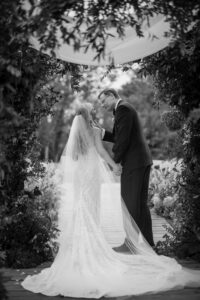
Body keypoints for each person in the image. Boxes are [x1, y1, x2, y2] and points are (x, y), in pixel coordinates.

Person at [21, 103, 200, 298]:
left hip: (81, 174)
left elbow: (72, 155)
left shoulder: (78, 133)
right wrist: (114, 165)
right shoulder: (95, 131)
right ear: (89, 115)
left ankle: (78, 251)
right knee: (91, 208)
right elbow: (100, 151)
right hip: (92, 174)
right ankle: (94, 248)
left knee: (81, 207)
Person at [98, 88, 154, 247]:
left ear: (111, 95)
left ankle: (130, 244)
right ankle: (149, 244)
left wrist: (115, 162)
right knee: (140, 204)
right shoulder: (124, 108)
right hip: (141, 161)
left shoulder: (123, 109)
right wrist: (102, 133)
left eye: (103, 100)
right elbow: (119, 136)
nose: (102, 105)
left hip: (134, 162)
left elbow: (122, 141)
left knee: (130, 203)